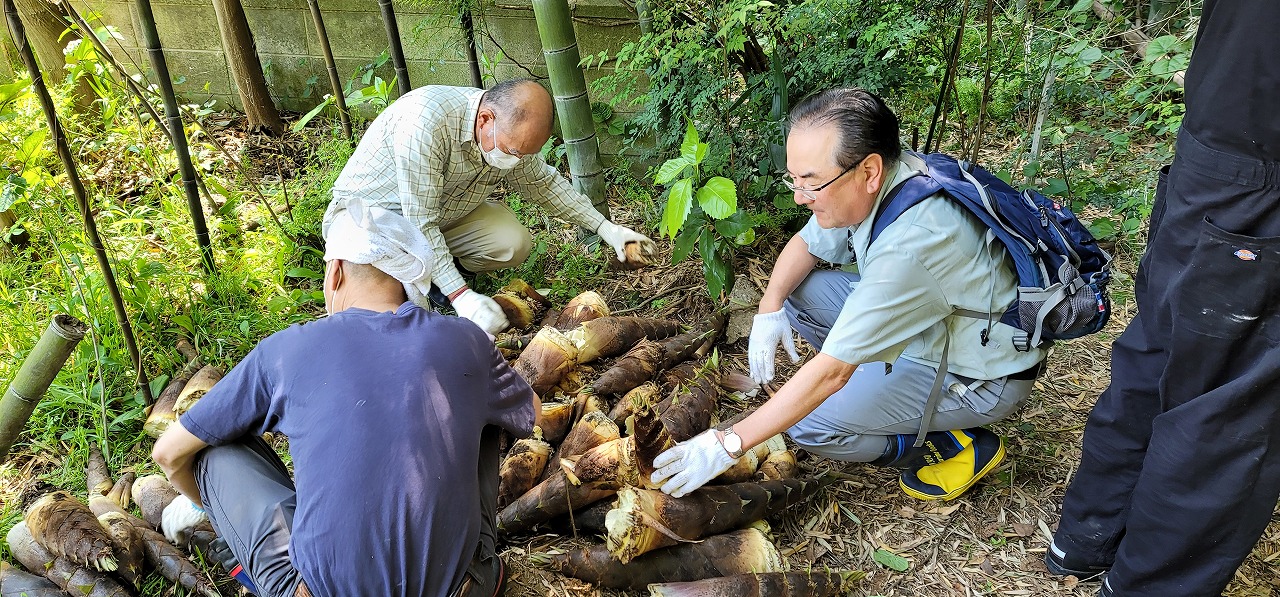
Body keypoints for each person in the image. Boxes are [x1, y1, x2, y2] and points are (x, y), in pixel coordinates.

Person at [651, 87, 1047, 502]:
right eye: (794, 178)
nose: (799, 197)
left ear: (869, 171)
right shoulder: (889, 177)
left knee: (808, 424)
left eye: (811, 183)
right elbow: (806, 245)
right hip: (940, 322)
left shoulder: (912, 244)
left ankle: (943, 442)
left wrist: (726, 443)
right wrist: (768, 308)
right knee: (798, 290)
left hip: (980, 374)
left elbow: (831, 373)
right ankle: (880, 393)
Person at [151, 200, 538, 597]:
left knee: (210, 449)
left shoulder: (286, 350)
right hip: (459, 589)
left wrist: (215, 508)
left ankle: (257, 562)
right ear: (406, 282)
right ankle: (475, 573)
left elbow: (168, 453)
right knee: (486, 404)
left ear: (335, 271)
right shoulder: (466, 338)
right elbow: (531, 413)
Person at [1045, 3, 1280, 595]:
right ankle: (1145, 583)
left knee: (1159, 348)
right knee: (1228, 407)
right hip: (1259, 181)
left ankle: (1087, 534)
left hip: (1212, 159)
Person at [323, 78, 657, 335]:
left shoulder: (508, 134)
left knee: (512, 240)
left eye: (525, 154)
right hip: (374, 227)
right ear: (485, 119)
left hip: (441, 216)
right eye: (513, 153)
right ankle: (446, 288)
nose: (518, 162)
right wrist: (461, 295)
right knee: (386, 324)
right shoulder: (424, 123)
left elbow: (545, 184)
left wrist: (606, 229)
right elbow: (419, 224)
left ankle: (442, 280)